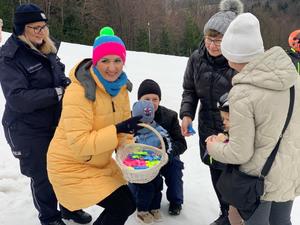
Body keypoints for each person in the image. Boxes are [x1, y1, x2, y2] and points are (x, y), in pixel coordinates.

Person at [0, 3, 91, 225]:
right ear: (22, 29)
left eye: (44, 26)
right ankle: (50, 217)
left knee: (65, 168)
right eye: (36, 27)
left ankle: (70, 208)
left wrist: (70, 85)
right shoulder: (9, 57)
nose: (42, 32)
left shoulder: (46, 48)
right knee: (43, 176)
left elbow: (58, 75)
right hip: (26, 128)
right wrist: (57, 93)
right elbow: (18, 98)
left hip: (55, 123)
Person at [206, 12, 300, 225]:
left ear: (232, 54)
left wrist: (214, 147)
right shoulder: (293, 78)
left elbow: (240, 152)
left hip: (260, 181)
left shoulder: (243, 92)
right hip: (289, 172)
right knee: (281, 221)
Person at [47, 26, 141, 225]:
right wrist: (118, 129)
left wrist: (128, 152)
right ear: (95, 62)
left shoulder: (121, 87)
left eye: (117, 60)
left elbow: (124, 131)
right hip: (70, 164)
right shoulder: (79, 91)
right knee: (122, 205)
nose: (112, 67)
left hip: (98, 161)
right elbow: (80, 143)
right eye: (105, 60)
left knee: (126, 203)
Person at [179, 0, 243, 224]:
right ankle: (225, 214)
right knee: (215, 174)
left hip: (235, 132)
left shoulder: (238, 63)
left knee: (233, 178)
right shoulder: (196, 59)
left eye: (219, 39)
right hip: (208, 127)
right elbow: (189, 90)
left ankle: (237, 217)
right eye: (210, 38)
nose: (213, 45)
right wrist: (187, 115)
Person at [138, 79, 187, 216]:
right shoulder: (133, 116)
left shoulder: (170, 116)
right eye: (146, 99)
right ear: (139, 100)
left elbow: (181, 143)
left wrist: (167, 153)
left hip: (166, 156)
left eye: (155, 99)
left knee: (175, 167)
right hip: (142, 159)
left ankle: (176, 201)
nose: (151, 102)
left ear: (159, 100)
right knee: (138, 187)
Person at [129, 99, 172, 224]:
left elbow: (167, 140)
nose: (146, 123)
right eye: (142, 121)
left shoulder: (157, 129)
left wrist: (165, 150)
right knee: (145, 189)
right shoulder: (132, 132)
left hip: (154, 167)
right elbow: (125, 146)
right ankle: (142, 211)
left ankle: (155, 207)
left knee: (158, 185)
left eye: (149, 120)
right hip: (139, 168)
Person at [215, 93, 244, 225]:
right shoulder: (231, 132)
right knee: (233, 216)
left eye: (228, 119)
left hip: (245, 186)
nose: (224, 122)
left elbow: (238, 154)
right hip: (235, 188)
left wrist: (225, 142)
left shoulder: (243, 135)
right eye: (223, 119)